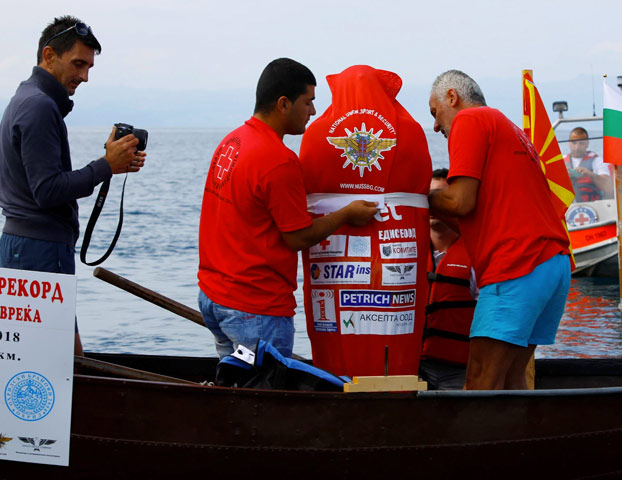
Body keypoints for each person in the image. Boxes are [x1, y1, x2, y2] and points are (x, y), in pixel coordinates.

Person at [197, 58, 378, 360]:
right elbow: (297, 237)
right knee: (265, 399)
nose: (313, 112)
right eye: (308, 102)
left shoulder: (232, 142)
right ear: (284, 103)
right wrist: (346, 214)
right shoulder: (278, 159)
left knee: (235, 389)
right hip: (254, 308)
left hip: (214, 297)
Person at [0, 16, 146, 356]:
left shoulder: (26, 98)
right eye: (78, 64)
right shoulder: (38, 106)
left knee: (45, 360)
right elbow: (47, 190)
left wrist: (110, 165)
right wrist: (105, 165)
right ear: (49, 55)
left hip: (24, 247)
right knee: (59, 362)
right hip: (38, 250)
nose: (84, 76)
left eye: (89, 67)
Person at [427, 70, 572, 390]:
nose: (436, 126)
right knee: (511, 379)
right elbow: (484, 213)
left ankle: (474, 442)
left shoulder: (469, 120)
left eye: (435, 113)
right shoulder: (510, 128)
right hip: (554, 262)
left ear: (452, 97)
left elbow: (461, 201)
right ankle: (521, 440)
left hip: (519, 262)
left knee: (480, 381)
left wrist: (412, 194)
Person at [298, 65, 432, 377]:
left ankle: (332, 386)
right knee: (394, 339)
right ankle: (396, 387)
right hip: (398, 261)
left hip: (333, 269)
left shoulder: (316, 134)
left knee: (335, 336)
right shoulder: (410, 131)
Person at [419, 168, 477, 390]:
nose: (435, 205)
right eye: (430, 198)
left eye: (442, 197)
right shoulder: (406, 253)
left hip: (461, 370)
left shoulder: (477, 257)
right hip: (410, 366)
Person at [564, 126, 613, 201]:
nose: (577, 147)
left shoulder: (598, 161)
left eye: (581, 143)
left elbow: (609, 188)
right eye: (574, 143)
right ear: (569, 142)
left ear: (587, 143)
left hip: (594, 208)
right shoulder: (561, 162)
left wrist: (591, 175)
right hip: (568, 208)